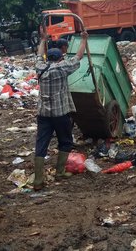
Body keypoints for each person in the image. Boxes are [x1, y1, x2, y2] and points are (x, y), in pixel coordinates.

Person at [33, 32, 88, 190]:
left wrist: (43, 40)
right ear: (60, 57)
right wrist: (83, 40)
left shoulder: (40, 67)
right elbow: (78, 57)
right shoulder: (61, 68)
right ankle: (59, 172)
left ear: (47, 58)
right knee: (65, 141)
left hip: (43, 114)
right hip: (60, 114)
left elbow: (38, 55)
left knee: (41, 144)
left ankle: (38, 180)